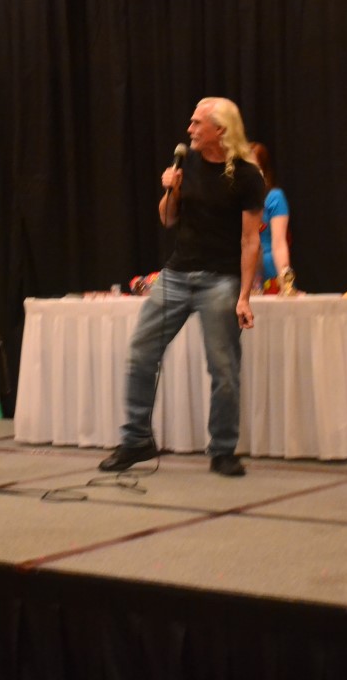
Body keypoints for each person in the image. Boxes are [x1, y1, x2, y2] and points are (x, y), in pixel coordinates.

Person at [98, 97, 264, 477]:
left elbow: (250, 240)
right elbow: (167, 219)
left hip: (221, 280)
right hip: (176, 275)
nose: (189, 129)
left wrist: (244, 297)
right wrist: (169, 189)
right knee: (140, 354)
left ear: (220, 130)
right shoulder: (186, 163)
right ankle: (136, 440)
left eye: (196, 123)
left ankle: (223, 450)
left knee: (223, 368)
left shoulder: (246, 175)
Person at [250, 142, 294, 294]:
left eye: (253, 167)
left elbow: (279, 243)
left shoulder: (274, 197)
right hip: (240, 272)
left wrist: (285, 283)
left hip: (269, 270)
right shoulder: (233, 200)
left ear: (263, 169)